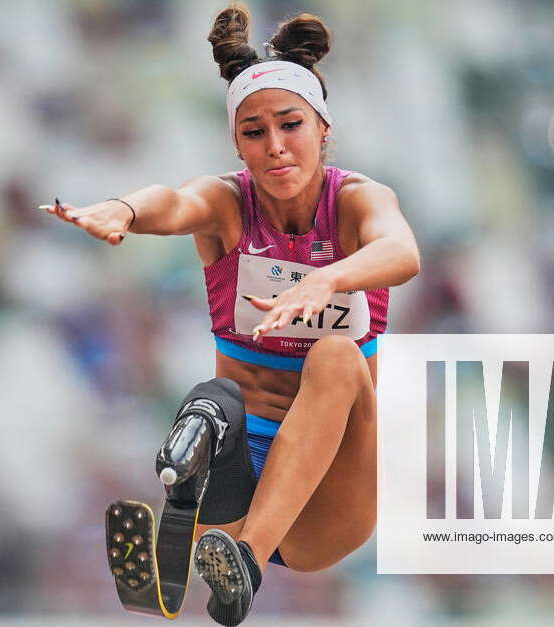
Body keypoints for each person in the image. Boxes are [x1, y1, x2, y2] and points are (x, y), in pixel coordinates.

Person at [45, 4, 419, 625]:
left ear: (324, 129)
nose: (275, 148)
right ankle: (203, 543)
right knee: (214, 396)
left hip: (326, 505)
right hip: (245, 471)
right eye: (253, 133)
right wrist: (124, 210)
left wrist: (326, 280)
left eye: (290, 125)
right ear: (237, 145)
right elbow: (174, 199)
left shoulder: (357, 202)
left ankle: (236, 555)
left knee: (334, 357)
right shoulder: (229, 205)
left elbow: (402, 252)